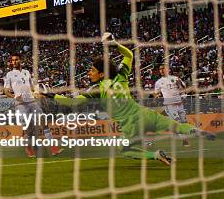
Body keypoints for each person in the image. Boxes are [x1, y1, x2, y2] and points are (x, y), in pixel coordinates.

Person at [53, 33, 215, 165]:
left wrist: (49, 94)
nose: (89, 73)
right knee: (176, 126)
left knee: (124, 149)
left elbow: (70, 102)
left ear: (101, 74)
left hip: (131, 125)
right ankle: (194, 130)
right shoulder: (121, 75)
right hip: (145, 114)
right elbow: (129, 55)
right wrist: (114, 44)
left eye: (92, 71)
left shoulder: (96, 90)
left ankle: (155, 154)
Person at [3, 54, 61, 158]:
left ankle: (54, 149)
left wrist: (39, 93)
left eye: (16, 59)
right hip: (21, 104)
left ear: (21, 60)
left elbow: (32, 87)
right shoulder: (9, 74)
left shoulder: (27, 72)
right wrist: (14, 97)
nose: (14, 62)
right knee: (28, 129)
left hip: (32, 102)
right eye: (13, 60)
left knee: (44, 122)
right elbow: (6, 91)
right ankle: (28, 148)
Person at [154, 64, 190, 147]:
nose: (161, 70)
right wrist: (157, 96)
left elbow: (183, 87)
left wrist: (183, 92)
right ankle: (185, 140)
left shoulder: (175, 78)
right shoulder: (158, 82)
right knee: (178, 121)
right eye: (160, 69)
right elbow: (156, 93)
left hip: (179, 103)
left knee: (184, 121)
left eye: (163, 68)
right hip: (169, 105)